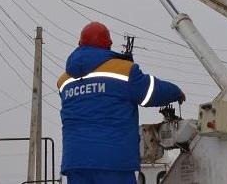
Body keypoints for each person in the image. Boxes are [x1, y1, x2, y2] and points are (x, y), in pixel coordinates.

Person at [57, 22, 185, 184]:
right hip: (113, 159)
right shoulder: (123, 70)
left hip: (75, 161)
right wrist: (176, 92)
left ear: (80, 44)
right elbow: (151, 91)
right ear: (108, 45)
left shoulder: (64, 81)